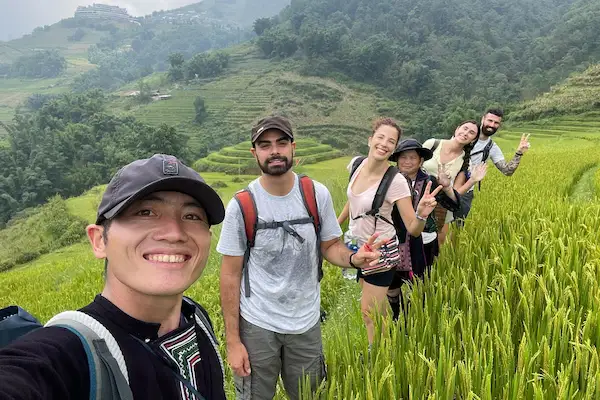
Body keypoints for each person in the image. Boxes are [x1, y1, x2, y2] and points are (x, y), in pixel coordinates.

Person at [0, 154, 228, 399]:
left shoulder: (196, 318)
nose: (174, 233)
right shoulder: (69, 353)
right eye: (146, 212)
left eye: (192, 216)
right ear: (99, 241)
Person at [217, 115, 384, 400]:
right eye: (265, 145)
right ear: (254, 153)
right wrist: (233, 341)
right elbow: (229, 274)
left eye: (281, 143)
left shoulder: (315, 194)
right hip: (257, 324)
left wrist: (354, 259)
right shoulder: (243, 205)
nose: (275, 151)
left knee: (310, 395)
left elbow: (331, 245)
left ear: (293, 147)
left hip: (305, 322)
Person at [336, 118, 441, 347]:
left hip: (380, 251)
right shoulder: (356, 166)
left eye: (391, 141)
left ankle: (378, 357)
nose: (384, 143)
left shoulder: (396, 181)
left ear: (393, 148)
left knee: (368, 312)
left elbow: (413, 228)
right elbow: (353, 202)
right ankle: (391, 337)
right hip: (357, 246)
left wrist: (422, 213)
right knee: (378, 305)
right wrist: (336, 225)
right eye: (381, 137)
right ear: (370, 139)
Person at [385, 139, 461, 321]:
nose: (408, 162)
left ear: (420, 161)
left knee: (420, 281)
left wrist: (447, 186)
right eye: (403, 158)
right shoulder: (388, 181)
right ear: (397, 161)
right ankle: (397, 314)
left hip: (424, 241)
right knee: (392, 283)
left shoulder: (430, 181)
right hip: (395, 240)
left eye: (413, 158)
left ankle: (415, 317)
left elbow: (454, 205)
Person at [454, 108, 531, 222]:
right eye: (489, 121)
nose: (492, 125)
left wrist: (519, 152)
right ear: (483, 119)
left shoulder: (492, 148)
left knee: (457, 227)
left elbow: (507, 170)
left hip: (465, 191)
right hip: (445, 185)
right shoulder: (466, 135)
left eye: (496, 123)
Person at [421, 120, 487, 244]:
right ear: (457, 129)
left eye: (471, 133)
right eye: (465, 128)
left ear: (473, 140)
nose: (466, 133)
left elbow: (456, 193)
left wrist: (472, 180)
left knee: (436, 245)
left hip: (441, 207)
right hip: (417, 198)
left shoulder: (465, 162)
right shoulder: (432, 144)